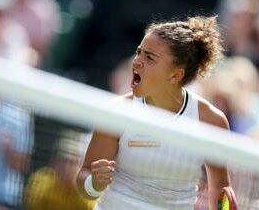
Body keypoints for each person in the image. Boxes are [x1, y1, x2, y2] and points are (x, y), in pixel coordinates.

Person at [76, 16, 233, 210]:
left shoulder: (211, 121)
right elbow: (84, 178)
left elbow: (220, 189)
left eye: (149, 57)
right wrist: (94, 183)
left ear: (176, 75)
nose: (136, 62)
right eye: (138, 52)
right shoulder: (118, 111)